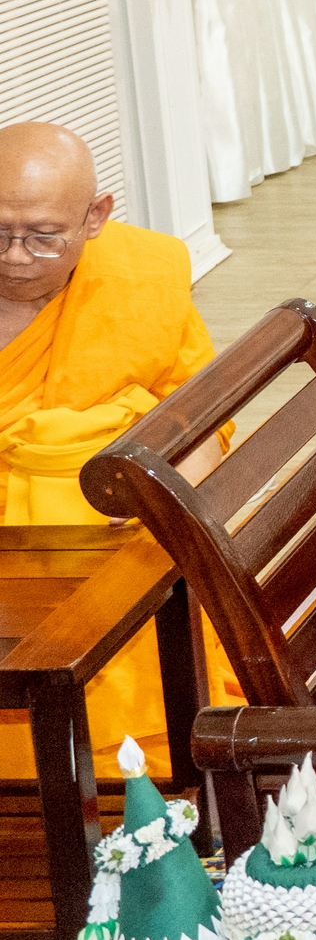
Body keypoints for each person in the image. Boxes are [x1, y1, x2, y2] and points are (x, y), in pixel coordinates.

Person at [0, 122, 227, 773]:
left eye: (44, 236)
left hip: (123, 536)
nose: (16, 256)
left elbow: (199, 419)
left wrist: (167, 496)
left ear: (95, 216)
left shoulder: (143, 276)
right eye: (0, 233)